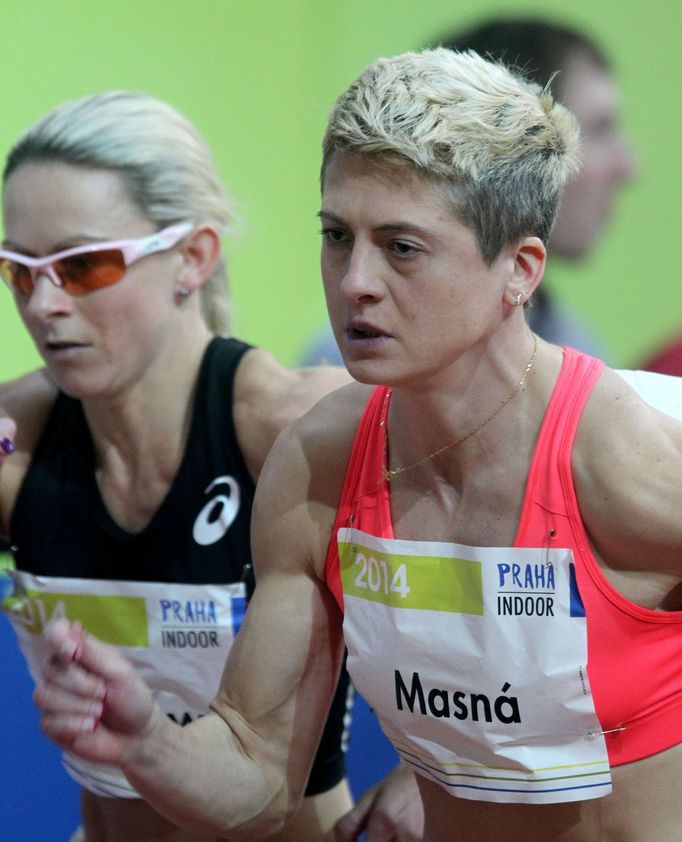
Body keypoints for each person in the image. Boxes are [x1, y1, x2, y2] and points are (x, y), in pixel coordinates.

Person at [30, 49, 682, 842]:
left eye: (401, 247)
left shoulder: (626, 461)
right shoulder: (321, 462)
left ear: (519, 269)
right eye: (337, 235)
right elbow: (260, 772)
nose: (354, 281)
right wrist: (148, 742)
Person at [0, 91, 421, 842]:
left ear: (192, 257)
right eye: (20, 271)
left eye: (84, 265)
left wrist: (426, 776)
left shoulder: (290, 426)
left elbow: (556, 558)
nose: (45, 305)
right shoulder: (17, 438)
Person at [299, 16, 636, 367]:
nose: (628, 167)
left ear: (524, 268)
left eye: (402, 247)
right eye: (598, 130)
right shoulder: (345, 366)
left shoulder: (581, 348)